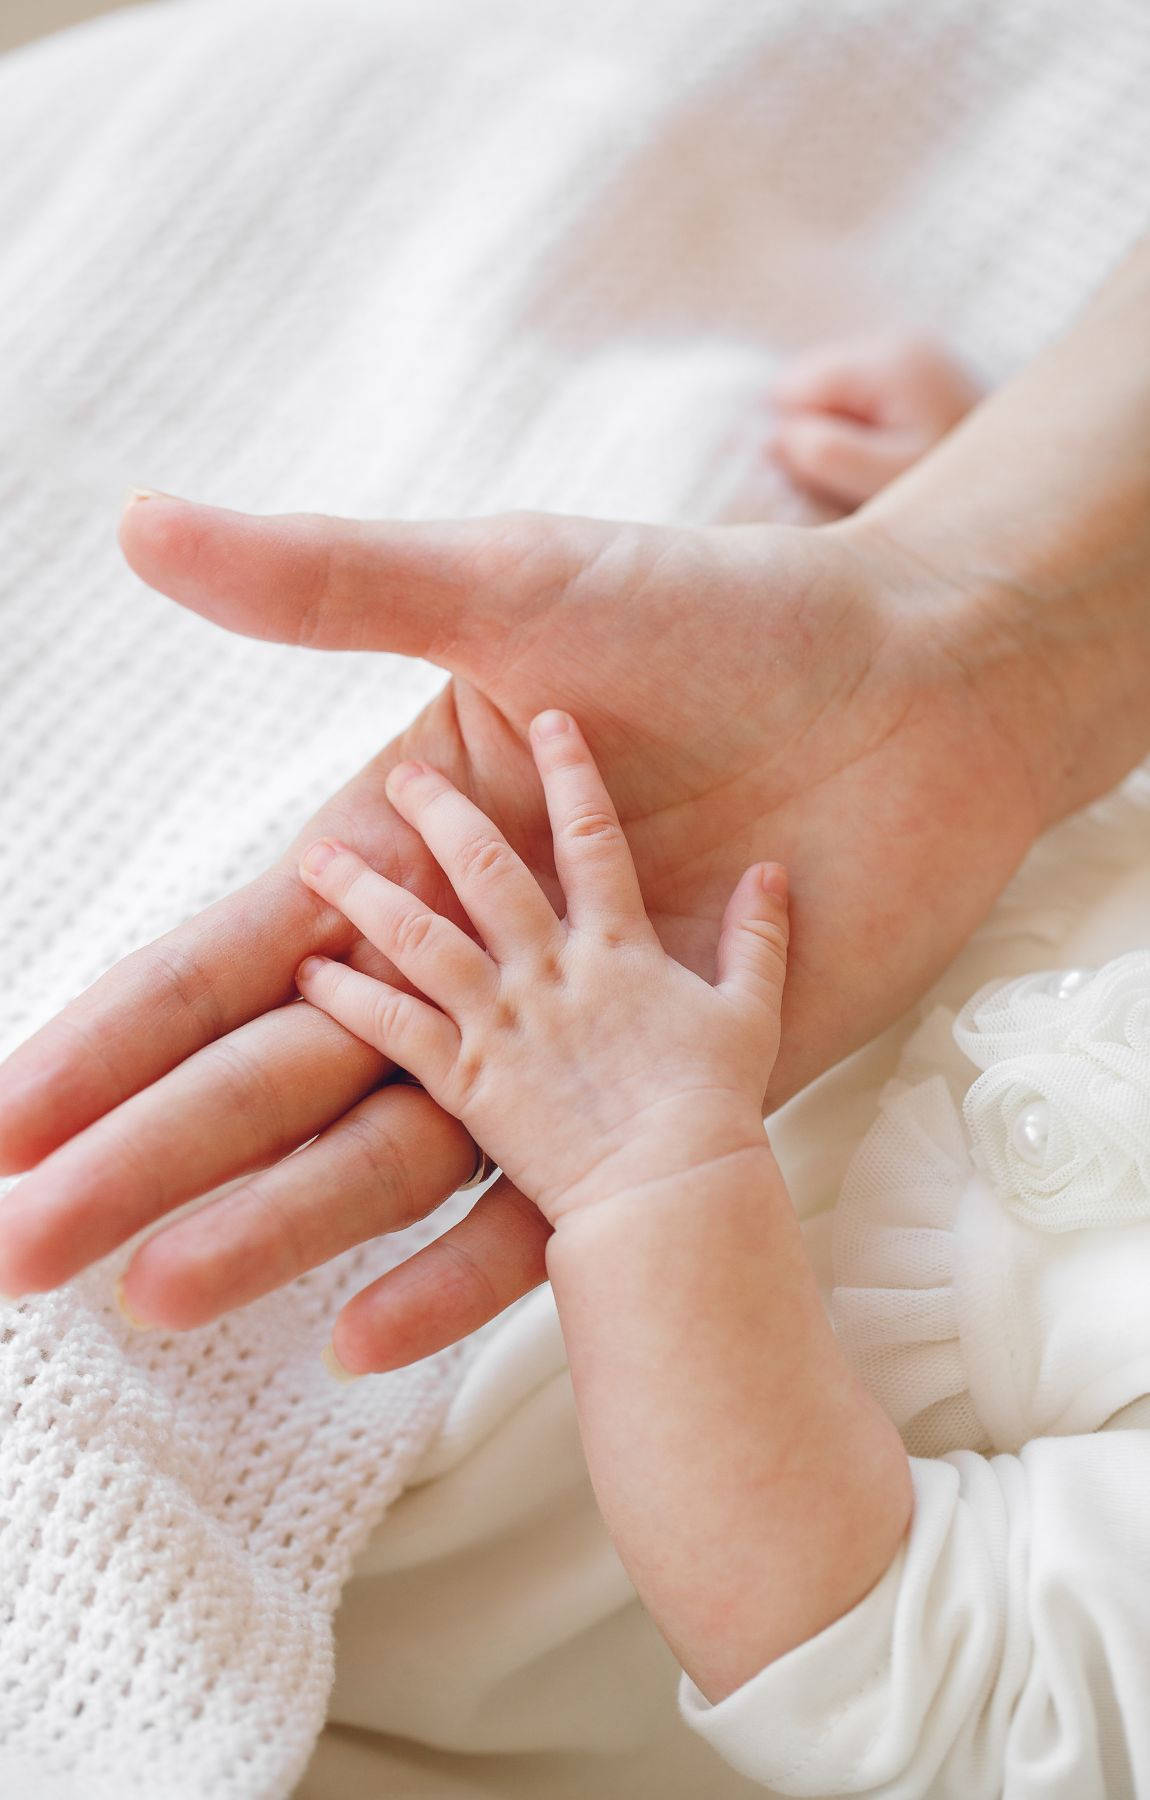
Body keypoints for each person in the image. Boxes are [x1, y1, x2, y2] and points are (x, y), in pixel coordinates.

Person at [1, 241, 1150, 1796]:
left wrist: (650, 1175)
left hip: (509, 1401)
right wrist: (1019, 570)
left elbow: (943, 1690)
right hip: (870, 847)